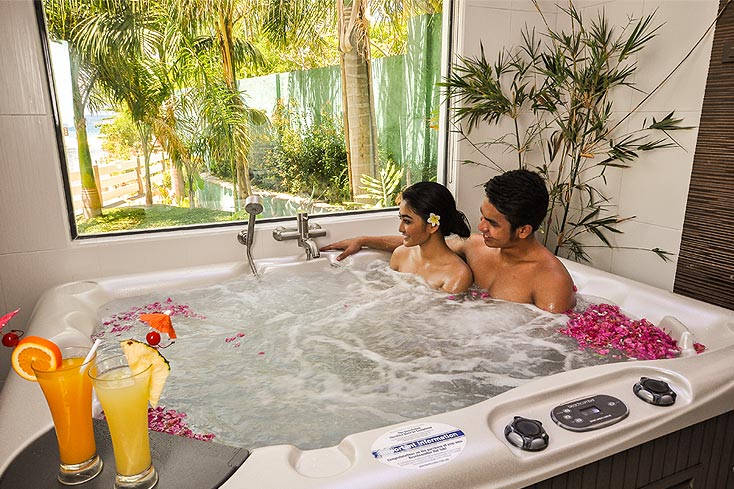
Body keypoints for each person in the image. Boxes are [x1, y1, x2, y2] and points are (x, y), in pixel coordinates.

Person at [320, 170, 577, 313]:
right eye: (482, 216)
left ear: (523, 230)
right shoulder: (476, 247)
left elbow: (550, 349)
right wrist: (364, 240)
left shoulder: (550, 281)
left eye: (492, 223)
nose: (481, 227)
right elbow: (428, 244)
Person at [389, 181, 473, 294]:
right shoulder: (400, 255)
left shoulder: (457, 275)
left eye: (407, 221)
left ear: (432, 226)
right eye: (401, 218)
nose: (400, 229)